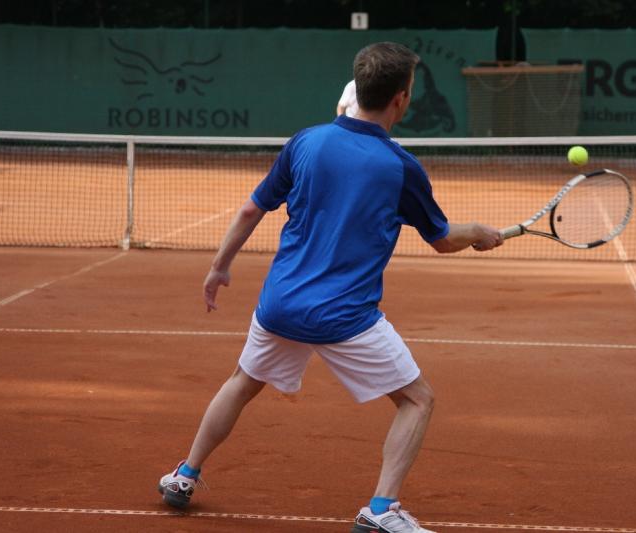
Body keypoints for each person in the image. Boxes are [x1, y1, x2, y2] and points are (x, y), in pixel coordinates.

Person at [158, 41, 503, 533]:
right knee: (417, 400)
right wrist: (478, 232)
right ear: (401, 99)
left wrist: (219, 267)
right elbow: (443, 240)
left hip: (280, 304)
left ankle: (184, 475)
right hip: (345, 317)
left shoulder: (306, 142)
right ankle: (381, 509)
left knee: (242, 382)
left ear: (357, 87)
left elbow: (252, 209)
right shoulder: (400, 167)